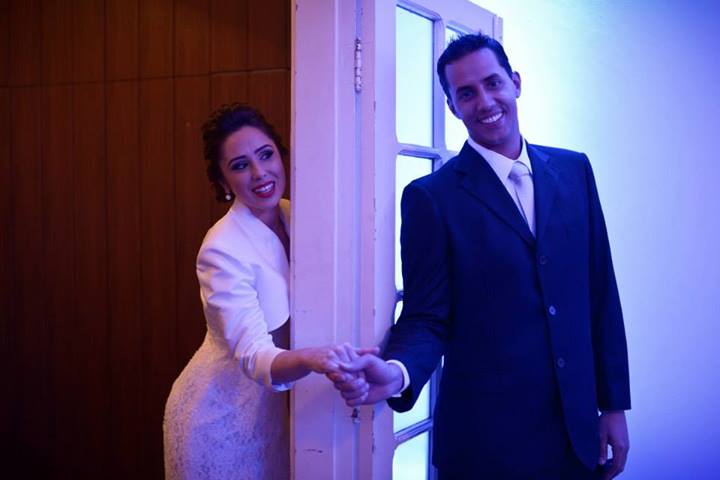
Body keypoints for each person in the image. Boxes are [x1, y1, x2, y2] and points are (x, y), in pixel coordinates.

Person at [331, 33, 631, 479]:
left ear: (515, 82)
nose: (485, 101)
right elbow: (427, 316)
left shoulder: (575, 171)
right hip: (486, 444)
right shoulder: (432, 198)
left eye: (493, 83)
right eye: (466, 93)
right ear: (453, 106)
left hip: (577, 433)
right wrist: (397, 372)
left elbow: (601, 293)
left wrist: (613, 405)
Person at [163, 104, 370, 480]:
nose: (260, 173)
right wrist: (314, 358)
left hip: (273, 415)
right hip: (219, 418)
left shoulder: (295, 214)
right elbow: (254, 355)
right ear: (223, 182)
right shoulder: (221, 248)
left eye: (266, 155)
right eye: (240, 165)